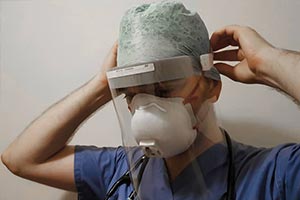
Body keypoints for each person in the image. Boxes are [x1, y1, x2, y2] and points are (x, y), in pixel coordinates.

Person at [1, 9, 300, 200]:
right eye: (131, 94)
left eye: (162, 88)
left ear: (212, 86)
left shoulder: (275, 175)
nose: (143, 107)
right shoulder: (119, 172)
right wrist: (102, 85)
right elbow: (21, 159)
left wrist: (269, 62)